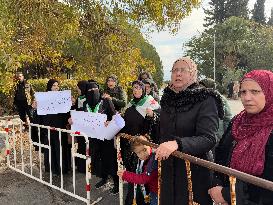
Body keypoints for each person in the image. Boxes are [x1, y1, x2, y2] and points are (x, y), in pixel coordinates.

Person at [155, 57, 224, 205]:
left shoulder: (206, 98)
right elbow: (163, 130)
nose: (178, 74)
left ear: (193, 73)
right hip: (168, 169)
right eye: (175, 70)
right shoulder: (168, 98)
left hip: (193, 171)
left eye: (183, 70)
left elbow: (209, 138)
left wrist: (178, 144)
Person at [208, 70, 273, 205]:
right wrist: (217, 185)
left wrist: (228, 194)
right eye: (243, 92)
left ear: (269, 92)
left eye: (255, 91)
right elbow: (221, 155)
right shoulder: (238, 121)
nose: (247, 98)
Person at [121, 80, 160, 205]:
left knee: (145, 176)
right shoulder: (130, 104)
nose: (135, 90)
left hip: (145, 147)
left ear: (143, 90)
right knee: (133, 174)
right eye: (133, 88)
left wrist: (153, 115)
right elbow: (123, 123)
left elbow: (161, 120)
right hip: (131, 147)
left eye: (138, 88)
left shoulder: (150, 102)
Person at [82, 81, 119, 194]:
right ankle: (104, 178)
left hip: (106, 138)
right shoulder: (85, 104)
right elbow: (83, 118)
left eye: (95, 90)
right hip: (94, 138)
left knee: (111, 160)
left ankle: (116, 183)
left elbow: (115, 117)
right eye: (90, 91)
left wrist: (110, 122)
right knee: (99, 160)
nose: (93, 93)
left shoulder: (106, 101)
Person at [40, 79, 71, 175]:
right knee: (51, 148)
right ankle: (53, 168)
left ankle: (63, 168)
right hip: (49, 127)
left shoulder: (62, 98)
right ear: (50, 87)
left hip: (60, 127)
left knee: (61, 147)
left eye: (57, 85)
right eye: (54, 85)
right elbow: (40, 114)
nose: (56, 87)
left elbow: (66, 113)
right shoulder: (44, 98)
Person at [117, 135, 158, 205]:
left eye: (144, 149)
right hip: (151, 190)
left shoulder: (154, 159)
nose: (143, 154)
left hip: (157, 193)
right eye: (139, 152)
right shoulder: (144, 157)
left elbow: (143, 178)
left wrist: (125, 174)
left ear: (150, 144)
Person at [71, 80, 89, 173]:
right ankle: (81, 166)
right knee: (81, 145)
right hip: (79, 126)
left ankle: (86, 167)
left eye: (78, 88)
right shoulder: (79, 98)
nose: (77, 89)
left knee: (85, 146)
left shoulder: (89, 98)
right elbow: (77, 110)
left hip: (87, 127)